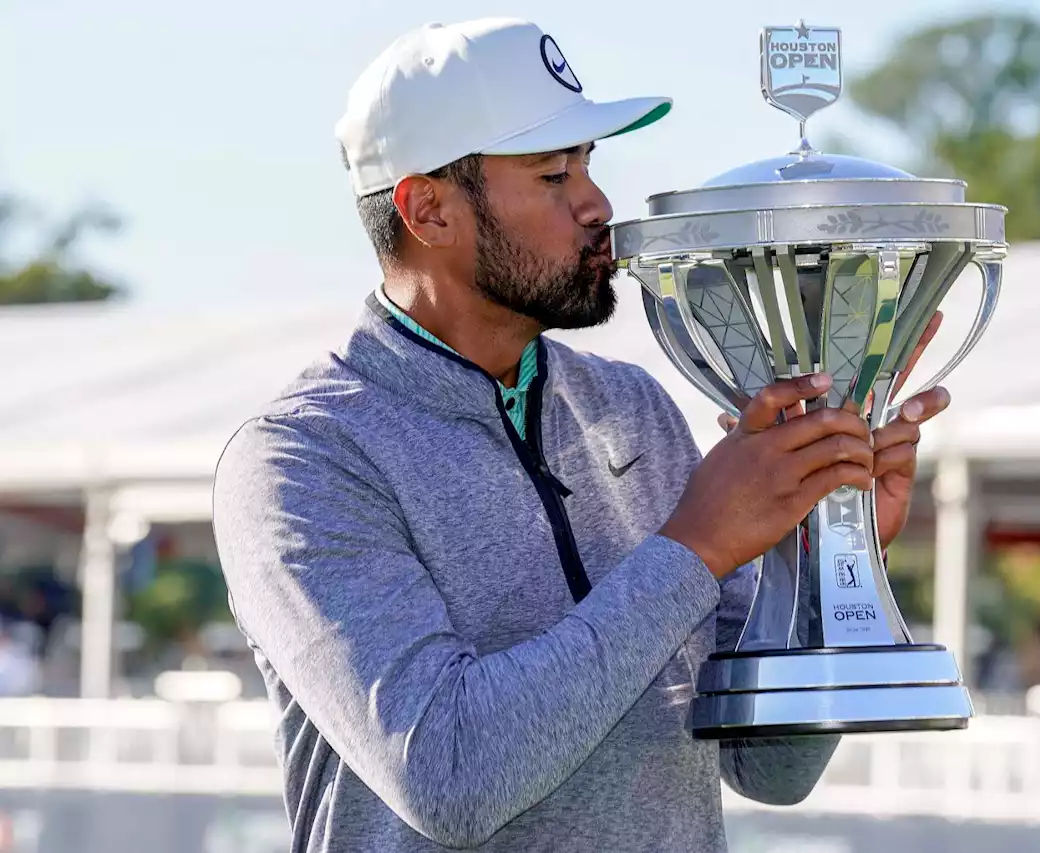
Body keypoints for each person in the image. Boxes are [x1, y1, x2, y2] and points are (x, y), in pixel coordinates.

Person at [211, 17, 953, 853]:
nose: (598, 204)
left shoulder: (634, 406)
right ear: (428, 209)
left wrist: (823, 553)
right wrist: (697, 546)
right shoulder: (298, 461)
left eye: (590, 164)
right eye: (553, 173)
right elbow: (448, 776)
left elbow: (768, 769)